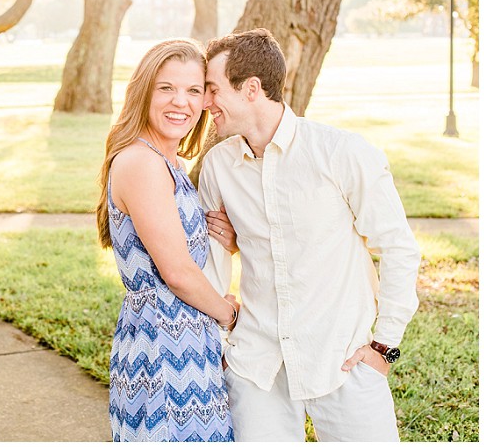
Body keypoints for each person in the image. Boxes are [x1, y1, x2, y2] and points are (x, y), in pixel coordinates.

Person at [197, 28, 421, 441]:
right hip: (257, 367)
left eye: (212, 89)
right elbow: (212, 263)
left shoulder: (342, 153)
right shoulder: (218, 166)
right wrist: (219, 345)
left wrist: (384, 346)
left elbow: (398, 248)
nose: (205, 102)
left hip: (343, 361)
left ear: (251, 89)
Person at [96, 38, 238, 442]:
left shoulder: (167, 162)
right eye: (167, 88)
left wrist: (223, 240)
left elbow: (182, 249)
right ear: (144, 92)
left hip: (185, 341)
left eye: (194, 90)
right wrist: (229, 317)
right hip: (163, 350)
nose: (182, 102)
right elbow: (176, 273)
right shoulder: (141, 162)